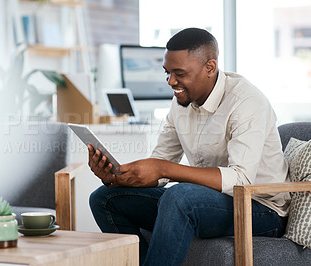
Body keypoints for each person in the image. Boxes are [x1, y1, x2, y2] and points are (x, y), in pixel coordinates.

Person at [88, 28, 290, 266]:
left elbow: (241, 179)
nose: (171, 82)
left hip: (260, 210)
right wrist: (118, 177)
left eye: (179, 73)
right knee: (105, 198)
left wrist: (164, 169)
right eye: (168, 72)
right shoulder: (181, 101)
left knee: (180, 197)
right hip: (204, 204)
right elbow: (160, 164)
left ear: (210, 68)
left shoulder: (246, 102)